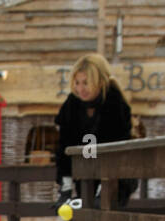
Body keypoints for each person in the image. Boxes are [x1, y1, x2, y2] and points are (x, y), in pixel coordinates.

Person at [53, 52, 135, 210]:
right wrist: (66, 187)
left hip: (115, 179)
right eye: (77, 83)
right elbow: (64, 148)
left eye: (86, 83)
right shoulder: (71, 107)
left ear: (99, 81)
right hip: (85, 179)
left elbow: (116, 150)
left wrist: (104, 190)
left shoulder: (115, 105)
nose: (80, 88)